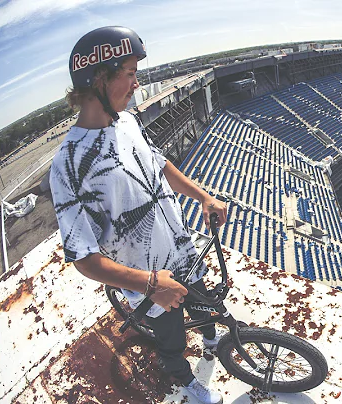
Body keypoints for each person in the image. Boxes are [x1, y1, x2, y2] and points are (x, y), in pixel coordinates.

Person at [50, 26, 227, 404]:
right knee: (172, 341)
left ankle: (211, 336)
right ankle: (187, 381)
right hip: (148, 280)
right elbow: (84, 259)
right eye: (129, 74)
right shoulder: (68, 164)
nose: (136, 84)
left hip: (181, 251)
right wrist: (151, 285)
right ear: (100, 78)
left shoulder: (127, 122)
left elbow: (159, 165)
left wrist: (203, 196)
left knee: (205, 301)